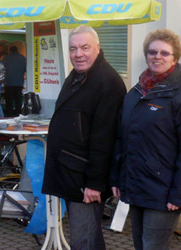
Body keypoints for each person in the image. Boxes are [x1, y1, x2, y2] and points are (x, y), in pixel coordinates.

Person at [110, 29, 181, 250]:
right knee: (139, 245)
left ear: (175, 58)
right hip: (134, 186)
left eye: (165, 53)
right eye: (152, 52)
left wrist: (180, 195)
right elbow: (121, 138)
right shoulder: (135, 93)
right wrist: (117, 178)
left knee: (153, 247)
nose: (157, 57)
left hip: (163, 193)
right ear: (146, 55)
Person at [42, 25, 126, 249]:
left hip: (85, 180)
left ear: (98, 48)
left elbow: (105, 139)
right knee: (89, 238)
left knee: (84, 241)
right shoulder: (78, 75)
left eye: (85, 48)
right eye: (73, 49)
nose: (78, 54)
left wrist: (95, 184)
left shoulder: (108, 82)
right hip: (71, 172)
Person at [2, 45, 26, 117]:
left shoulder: (6, 58)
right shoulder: (22, 58)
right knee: (18, 99)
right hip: (19, 82)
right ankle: (18, 113)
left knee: (9, 100)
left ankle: (9, 113)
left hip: (8, 82)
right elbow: (25, 69)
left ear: (10, 50)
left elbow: (2, 68)